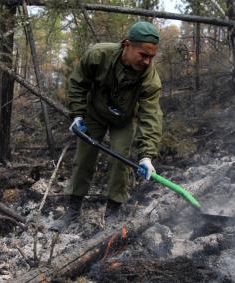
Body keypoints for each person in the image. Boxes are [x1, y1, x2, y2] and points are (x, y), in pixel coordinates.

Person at [51, 21, 163, 231]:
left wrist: (147, 155)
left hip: (123, 120)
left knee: (120, 159)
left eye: (151, 57)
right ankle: (73, 212)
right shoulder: (98, 55)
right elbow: (77, 82)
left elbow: (151, 115)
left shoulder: (149, 77)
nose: (147, 61)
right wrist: (77, 115)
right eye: (143, 55)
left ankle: (113, 214)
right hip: (94, 114)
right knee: (83, 157)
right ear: (127, 45)